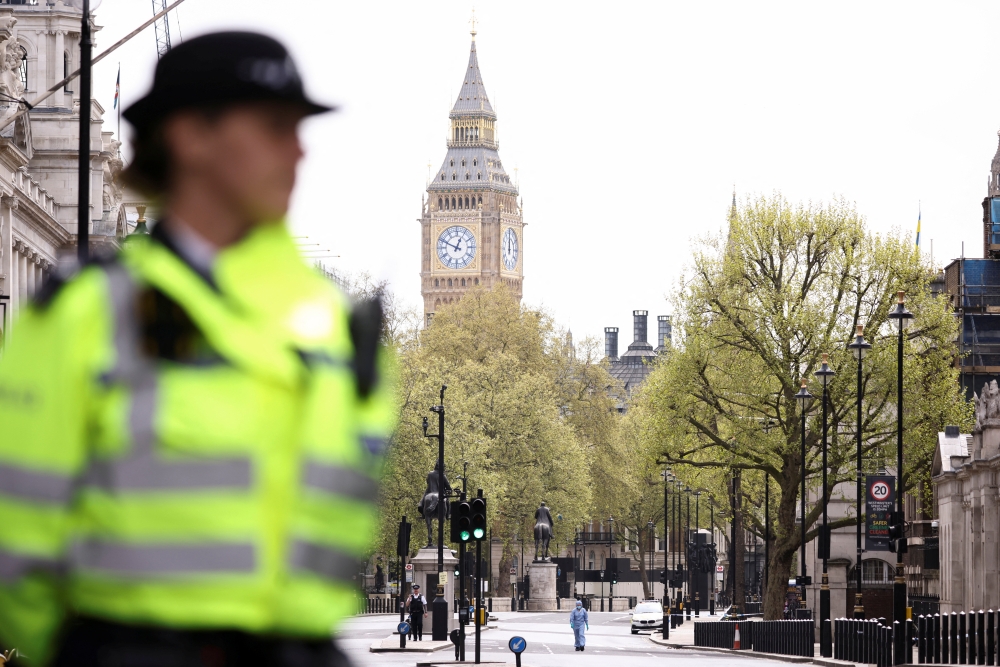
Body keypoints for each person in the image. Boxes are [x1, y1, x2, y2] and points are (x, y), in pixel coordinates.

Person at [0, 31, 394, 667]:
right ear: (190, 137)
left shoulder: (340, 323)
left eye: (298, 129)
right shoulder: (87, 315)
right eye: (271, 127)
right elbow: (16, 545)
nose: (296, 150)